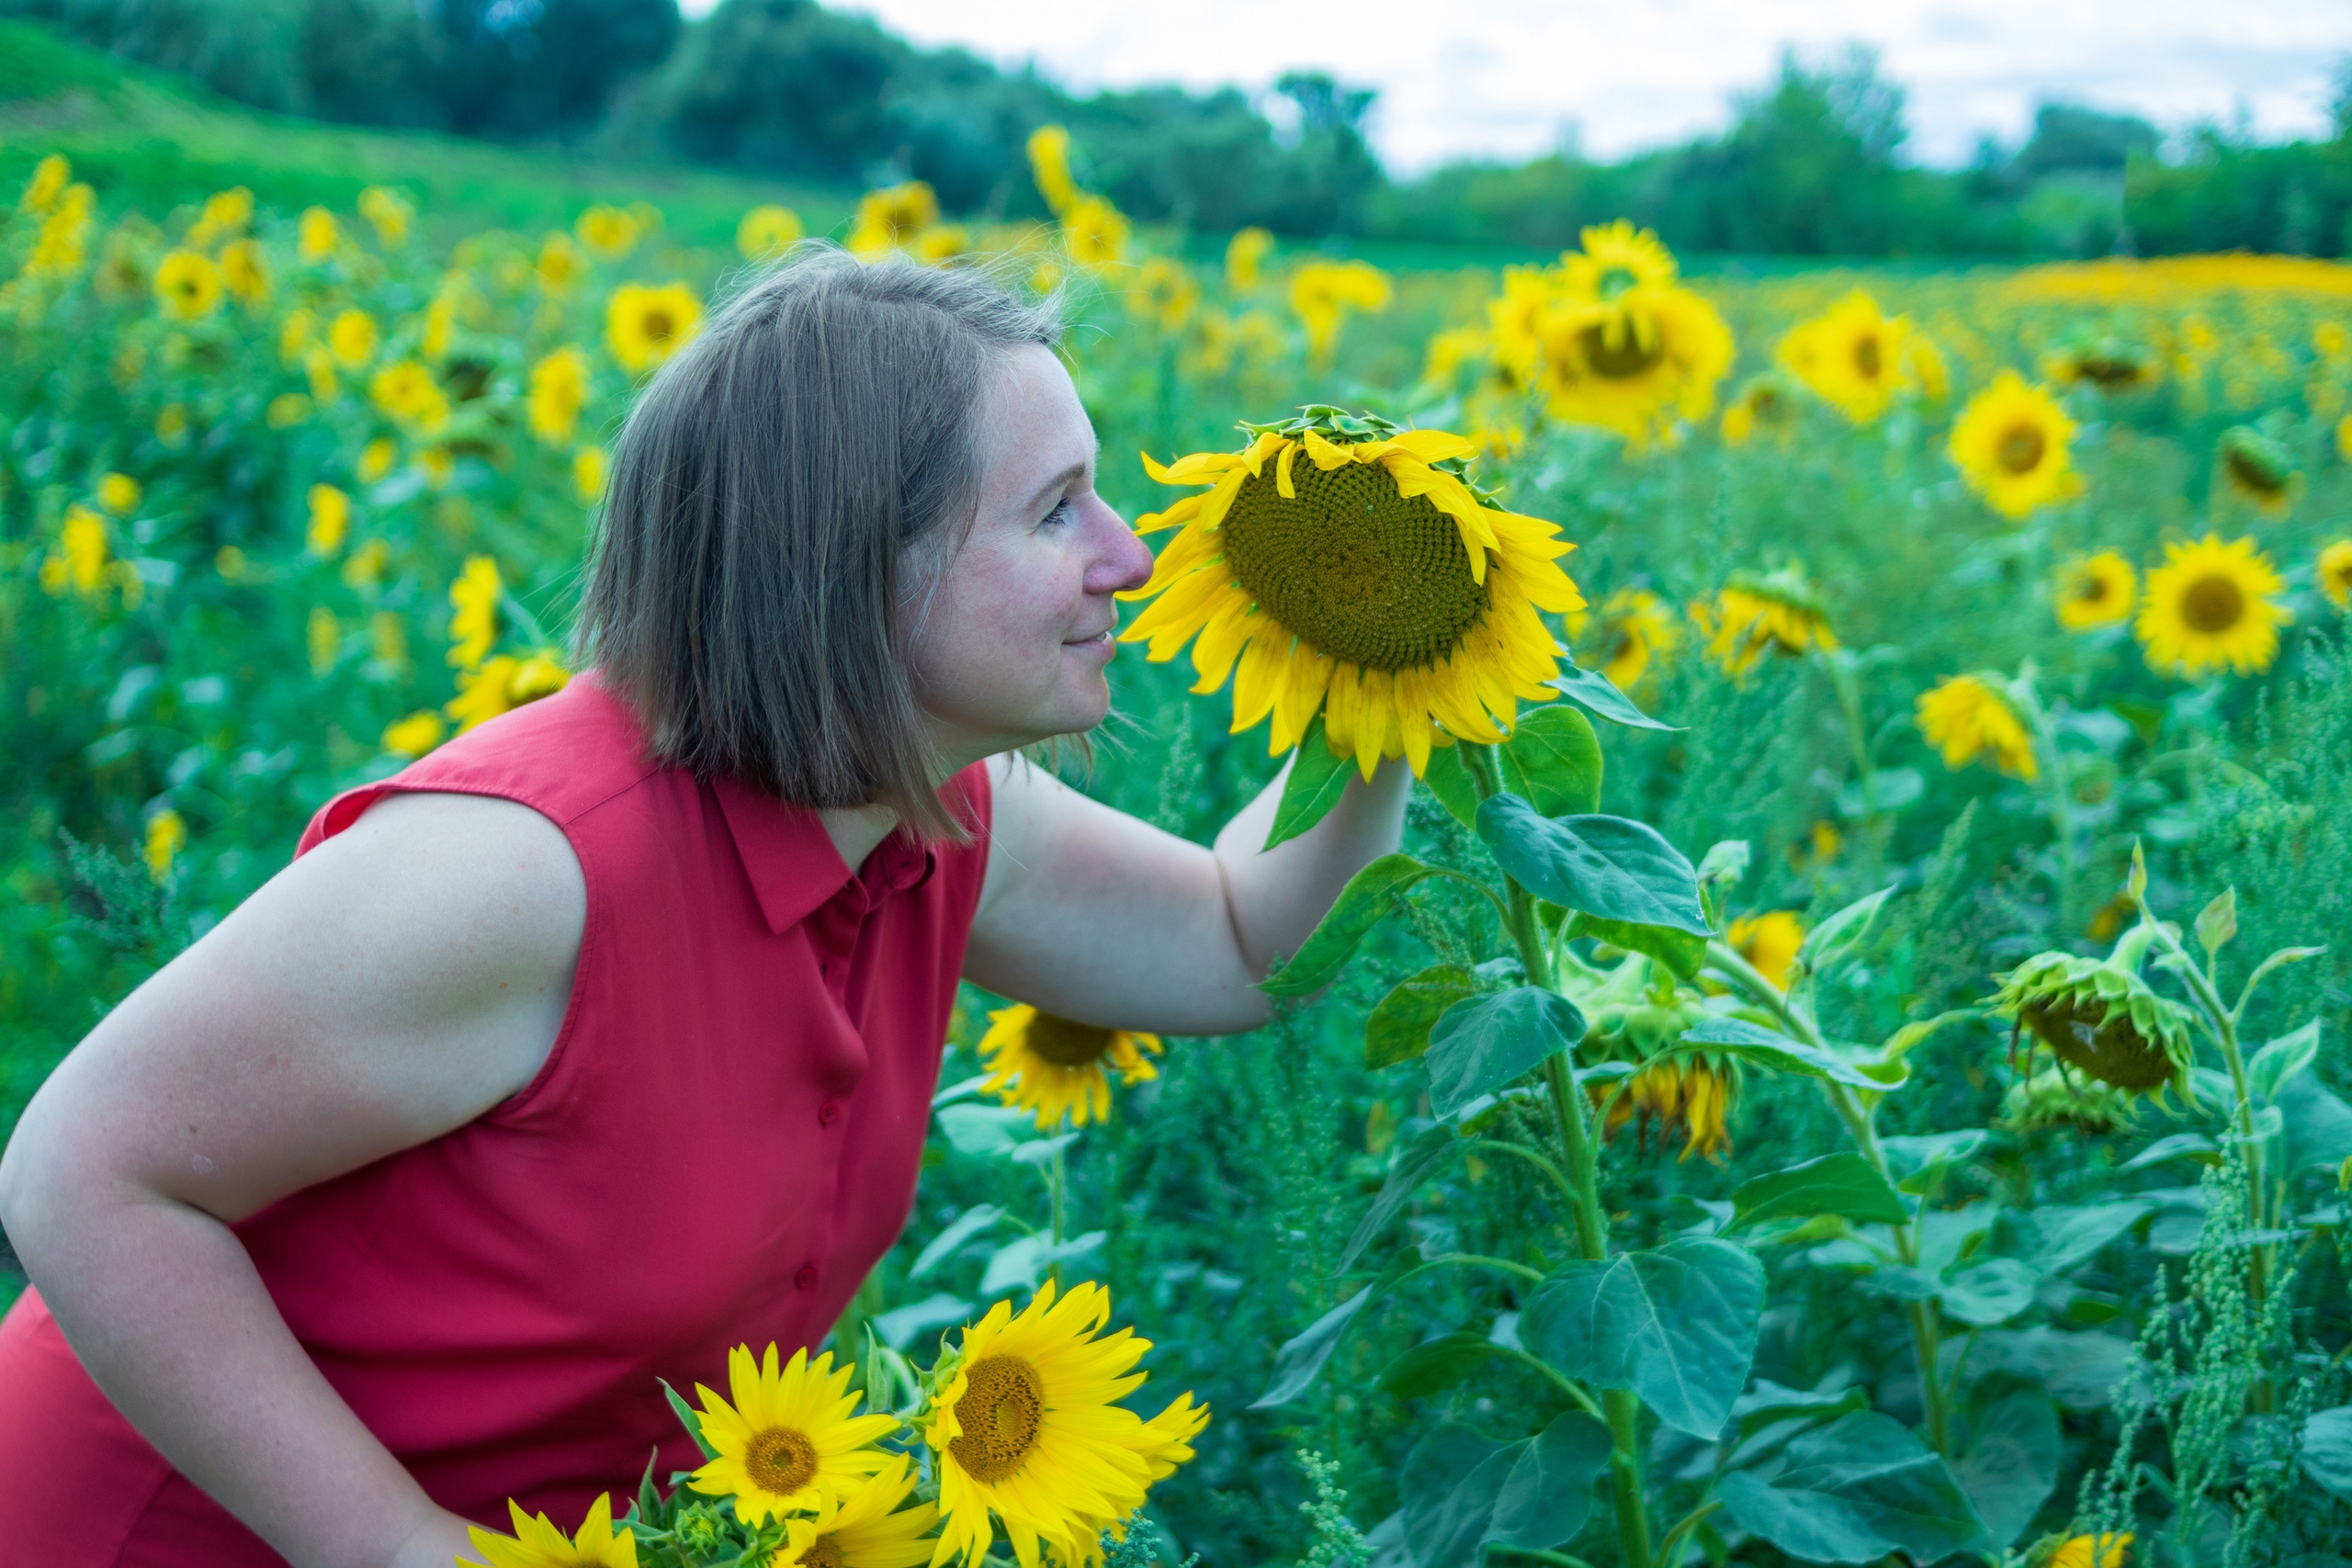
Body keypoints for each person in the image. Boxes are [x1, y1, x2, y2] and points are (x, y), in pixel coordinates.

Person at [0, 249, 1408, 1567]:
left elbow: (1241, 944)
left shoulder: (934, 807)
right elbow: (84, 1171)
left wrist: (1391, 658)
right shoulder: (531, 871)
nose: (1131, 557)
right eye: (1055, 510)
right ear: (852, 567)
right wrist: (397, 1550)